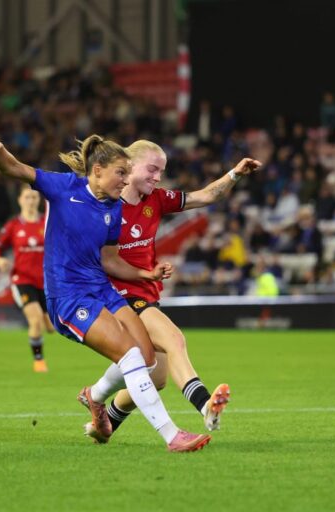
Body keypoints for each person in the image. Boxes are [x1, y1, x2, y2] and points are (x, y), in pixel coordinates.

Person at [0, 135, 210, 452]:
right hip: (68, 296)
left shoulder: (114, 208)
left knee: (148, 359)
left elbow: (110, 260)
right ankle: (171, 435)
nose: (125, 181)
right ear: (97, 170)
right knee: (131, 356)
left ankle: (94, 396)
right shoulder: (63, 187)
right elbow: (16, 169)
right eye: (121, 173)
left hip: (102, 289)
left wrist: (144, 273)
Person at [86, 139, 262, 442]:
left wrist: (234, 174)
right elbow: (102, 259)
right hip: (119, 297)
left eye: (161, 171)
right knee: (174, 339)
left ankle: (105, 422)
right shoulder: (106, 207)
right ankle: (205, 405)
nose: (158, 177)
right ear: (130, 166)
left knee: (156, 377)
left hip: (147, 294)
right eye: (152, 169)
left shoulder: (155, 199)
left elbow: (205, 196)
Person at [0, 185, 54, 372]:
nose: (30, 201)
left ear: (38, 200)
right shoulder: (13, 225)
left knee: (51, 328)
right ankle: (39, 360)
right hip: (22, 280)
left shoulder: (47, 222)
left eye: (34, 197)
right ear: (19, 200)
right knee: (35, 320)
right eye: (27, 197)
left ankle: (44, 332)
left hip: (46, 282)